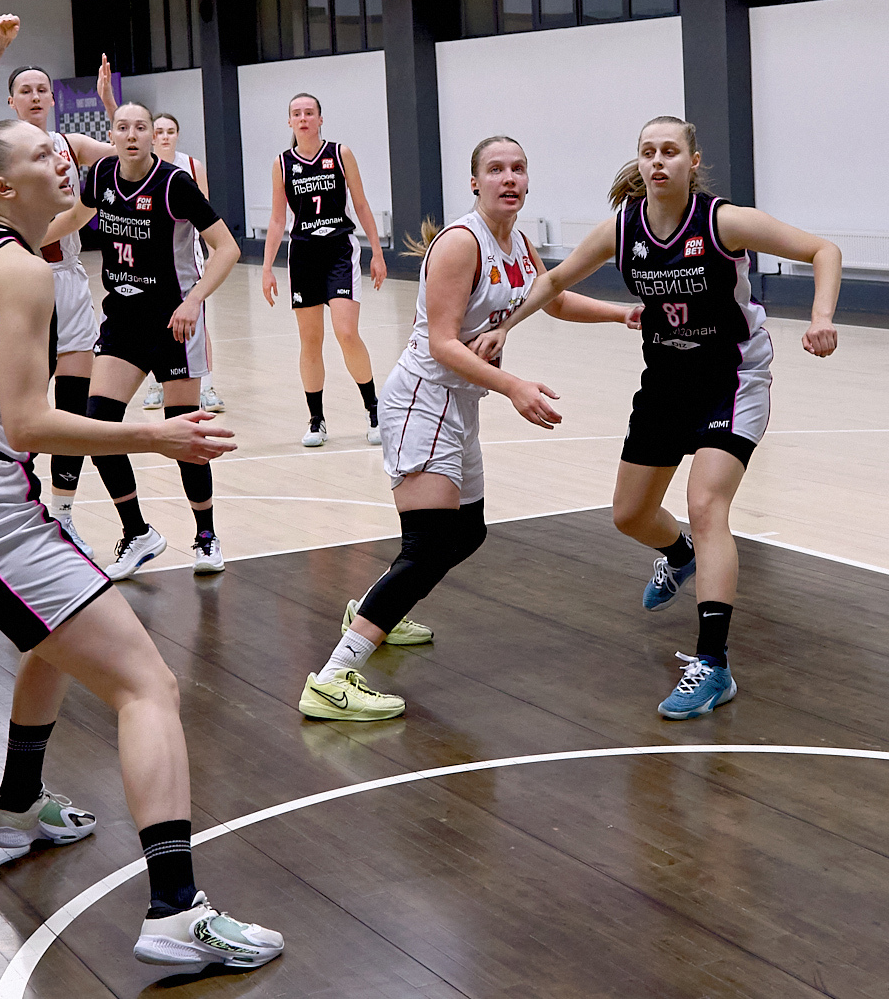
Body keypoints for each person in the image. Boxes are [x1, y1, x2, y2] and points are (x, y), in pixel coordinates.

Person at [0, 118, 283, 971]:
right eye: (41, 154)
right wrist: (157, 436)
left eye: (60, 147)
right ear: (2, 187)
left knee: (56, 633)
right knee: (148, 685)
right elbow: (29, 422)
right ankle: (175, 911)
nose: (61, 158)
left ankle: (16, 800)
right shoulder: (23, 269)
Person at [477, 117, 841, 720]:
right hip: (666, 381)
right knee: (629, 515)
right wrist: (505, 327)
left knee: (707, 504)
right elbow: (556, 279)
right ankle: (679, 554)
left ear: (691, 162)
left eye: (670, 151)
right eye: (648, 152)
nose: (657, 161)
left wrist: (821, 316)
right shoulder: (624, 228)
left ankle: (713, 665)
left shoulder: (723, 222)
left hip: (731, 379)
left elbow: (823, 250)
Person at [296, 137, 630, 721]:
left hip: (461, 403)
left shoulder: (517, 244)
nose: (509, 178)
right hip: (422, 401)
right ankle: (332, 678)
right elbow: (442, 344)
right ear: (475, 182)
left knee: (466, 534)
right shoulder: (460, 243)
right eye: (495, 169)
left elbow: (551, 299)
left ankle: (373, 610)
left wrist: (625, 313)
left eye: (518, 168)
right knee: (428, 547)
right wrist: (514, 386)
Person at [0, 17, 120, 558]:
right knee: (19, 403)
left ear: (52, 99)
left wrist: (109, 105)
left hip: (69, 284)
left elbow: (129, 157)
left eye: (41, 89)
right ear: (10, 101)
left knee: (73, 407)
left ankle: (64, 513)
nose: (34, 96)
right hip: (18, 280)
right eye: (24, 89)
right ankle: (11, 500)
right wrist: (0, 43)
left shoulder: (69, 145)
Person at [71, 100, 240, 578]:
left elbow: (226, 248)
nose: (131, 135)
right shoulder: (100, 175)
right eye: (122, 127)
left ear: (153, 136)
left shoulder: (174, 183)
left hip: (173, 322)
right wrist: (22, 240)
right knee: (98, 426)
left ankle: (205, 535)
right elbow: (73, 219)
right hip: (123, 320)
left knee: (183, 432)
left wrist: (194, 300)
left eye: (140, 127)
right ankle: (137, 532)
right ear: (111, 134)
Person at [260, 94, 387, 447]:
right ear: (289, 122)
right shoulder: (282, 163)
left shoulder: (340, 154)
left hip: (338, 251)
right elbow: (277, 219)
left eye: (309, 113)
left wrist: (377, 252)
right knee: (310, 340)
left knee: (346, 333)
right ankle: (316, 419)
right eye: (296, 114)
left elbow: (361, 204)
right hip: (303, 255)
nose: (303, 118)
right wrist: (267, 267)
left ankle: (374, 409)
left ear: (320, 118)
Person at [136, 109, 224, 413]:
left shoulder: (191, 167)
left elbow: (207, 216)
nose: (164, 137)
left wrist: (213, 254)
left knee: (196, 319)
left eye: (169, 131)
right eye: (159, 132)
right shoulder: (142, 166)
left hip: (188, 257)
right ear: (151, 136)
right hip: (149, 257)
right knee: (152, 320)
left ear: (177, 135)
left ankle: (206, 386)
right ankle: (156, 385)